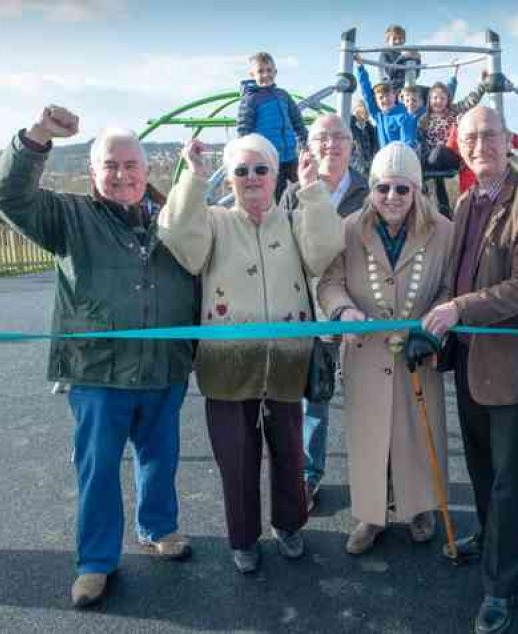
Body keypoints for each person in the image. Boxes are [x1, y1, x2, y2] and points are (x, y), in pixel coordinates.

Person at [0, 105, 197, 608]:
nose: (122, 174)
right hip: (98, 372)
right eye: (111, 165)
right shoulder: (67, 216)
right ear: (93, 171)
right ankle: (96, 562)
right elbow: (6, 196)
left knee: (160, 457)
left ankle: (159, 528)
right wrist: (36, 137)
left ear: (148, 171)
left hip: (164, 368)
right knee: (98, 468)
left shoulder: (176, 218)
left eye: (131, 165)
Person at [157, 134, 344, 574]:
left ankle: (290, 525)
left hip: (286, 362)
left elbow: (325, 251)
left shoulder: (296, 219)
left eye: (261, 169)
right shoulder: (214, 220)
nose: (252, 178)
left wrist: (314, 188)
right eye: (241, 171)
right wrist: (193, 180)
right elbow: (179, 238)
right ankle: (243, 539)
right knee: (235, 457)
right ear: (232, 178)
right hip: (226, 366)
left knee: (289, 452)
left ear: (276, 175)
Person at [422, 106, 518, 634]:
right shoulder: (465, 199)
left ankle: (501, 584)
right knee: (480, 466)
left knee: (507, 481)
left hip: (510, 367)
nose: (480, 144)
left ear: (510, 141)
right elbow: (455, 279)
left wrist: (460, 309)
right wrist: (435, 318)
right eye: (471, 136)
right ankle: (491, 536)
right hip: (468, 361)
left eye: (490, 135)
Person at [318, 142, 453, 554]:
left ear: (416, 190)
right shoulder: (346, 229)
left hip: (418, 351)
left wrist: (430, 331)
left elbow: (450, 287)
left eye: (401, 188)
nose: (391, 198)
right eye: (382, 188)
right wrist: (342, 312)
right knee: (369, 435)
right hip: (366, 351)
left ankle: (420, 507)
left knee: (417, 430)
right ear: (372, 189)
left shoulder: (444, 230)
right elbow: (330, 282)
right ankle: (370, 515)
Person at [278, 114, 369, 512]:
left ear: (352, 145)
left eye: (339, 137)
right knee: (311, 400)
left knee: (369, 399)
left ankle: (380, 479)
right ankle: (307, 475)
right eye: (321, 138)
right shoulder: (293, 193)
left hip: (357, 313)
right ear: (309, 147)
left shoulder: (370, 193)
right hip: (307, 313)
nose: (330, 144)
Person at [237, 51, 309, 200]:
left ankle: (302, 219)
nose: (265, 75)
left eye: (269, 70)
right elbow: (244, 129)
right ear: (252, 74)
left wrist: (304, 142)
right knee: (276, 195)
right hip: (269, 158)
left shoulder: (282, 95)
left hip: (290, 155)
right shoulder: (251, 99)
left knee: (304, 188)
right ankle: (278, 220)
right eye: (260, 71)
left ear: (275, 72)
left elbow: (297, 121)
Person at [419, 72, 488, 218]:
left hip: (450, 155)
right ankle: (443, 213)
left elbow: (471, 101)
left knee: (439, 151)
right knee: (435, 176)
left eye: (442, 98)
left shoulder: (452, 112)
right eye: (435, 98)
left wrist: (482, 85)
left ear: (448, 100)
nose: (438, 101)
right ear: (429, 100)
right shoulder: (424, 119)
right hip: (433, 159)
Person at [356, 53, 422, 149]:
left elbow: (408, 141)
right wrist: (360, 67)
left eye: (388, 96)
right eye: (381, 97)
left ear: (394, 96)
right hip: (386, 157)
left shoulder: (404, 112)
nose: (385, 99)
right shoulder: (378, 115)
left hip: (403, 156)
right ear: (376, 101)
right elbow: (367, 93)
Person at [380, 24, 422, 94]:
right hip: (390, 89)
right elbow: (389, 73)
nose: (397, 41)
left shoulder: (403, 56)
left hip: (405, 88)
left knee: (429, 91)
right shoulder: (385, 54)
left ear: (404, 41)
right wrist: (402, 58)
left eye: (400, 38)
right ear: (387, 41)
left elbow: (416, 76)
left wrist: (417, 60)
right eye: (394, 39)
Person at [350, 98, 379, 175]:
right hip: (354, 166)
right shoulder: (349, 125)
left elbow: (373, 147)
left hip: (368, 166)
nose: (367, 112)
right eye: (364, 109)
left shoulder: (370, 128)